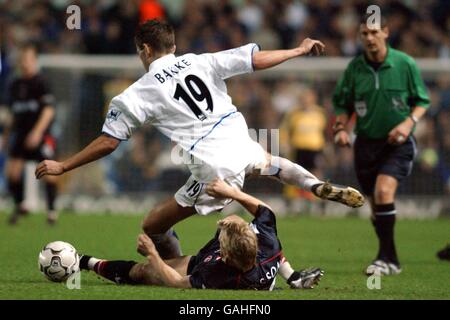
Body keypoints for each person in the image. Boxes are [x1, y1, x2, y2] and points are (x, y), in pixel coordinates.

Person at [36, 19, 364, 260]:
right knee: (269, 163)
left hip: (213, 165)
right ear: (174, 47)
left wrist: (64, 165)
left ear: (145, 50)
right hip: (239, 138)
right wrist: (298, 49)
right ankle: (315, 185)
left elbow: (109, 142)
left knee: (152, 225)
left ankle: (178, 269)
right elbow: (254, 60)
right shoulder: (198, 60)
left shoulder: (136, 93)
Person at [79, 178, 324, 290]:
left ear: (224, 255)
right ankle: (294, 279)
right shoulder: (267, 242)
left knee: (143, 271)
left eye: (222, 239)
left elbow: (177, 283)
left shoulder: (219, 276)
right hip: (251, 263)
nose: (221, 230)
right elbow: (265, 212)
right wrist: (233, 193)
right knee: (241, 221)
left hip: (199, 266)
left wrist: (153, 254)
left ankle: (85, 262)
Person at [332, 15, 430, 276]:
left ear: (386, 32)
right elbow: (343, 102)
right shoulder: (355, 68)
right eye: (365, 33)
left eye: (375, 32)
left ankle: (385, 259)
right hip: (365, 144)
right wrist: (341, 128)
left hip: (396, 142)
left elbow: (422, 101)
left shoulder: (404, 63)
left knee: (384, 192)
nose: (370, 38)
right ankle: (390, 259)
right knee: (376, 207)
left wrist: (408, 123)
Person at [5, 44, 58, 225]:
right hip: (20, 135)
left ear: (35, 61)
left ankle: (51, 212)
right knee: (12, 173)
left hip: (41, 135)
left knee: (49, 172)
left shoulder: (41, 82)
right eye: (23, 59)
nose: (25, 63)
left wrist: (37, 132)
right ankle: (20, 206)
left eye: (28, 59)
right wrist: (6, 136)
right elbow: (13, 113)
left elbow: (48, 110)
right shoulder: (15, 84)